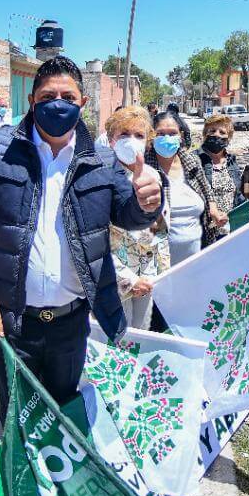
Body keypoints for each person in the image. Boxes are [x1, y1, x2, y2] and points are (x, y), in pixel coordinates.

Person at [0, 56, 163, 417]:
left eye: (68, 96)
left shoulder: (101, 159)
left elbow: (128, 214)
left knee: (63, 414)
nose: (58, 103)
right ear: (32, 101)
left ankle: (56, 475)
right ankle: (17, 473)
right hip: (12, 321)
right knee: (17, 417)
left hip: (71, 322)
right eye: (48, 95)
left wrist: (148, 203)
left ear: (83, 103)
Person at [104, 107, 168, 330]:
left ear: (147, 142)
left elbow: (161, 232)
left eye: (139, 135)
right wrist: (129, 280)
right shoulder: (102, 178)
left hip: (149, 279)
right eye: (123, 134)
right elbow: (95, 240)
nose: (131, 140)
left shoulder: (156, 177)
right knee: (115, 342)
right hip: (115, 280)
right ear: (111, 140)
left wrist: (162, 274)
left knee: (140, 338)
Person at [148, 111, 223, 265]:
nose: (167, 138)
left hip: (197, 255)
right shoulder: (144, 169)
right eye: (160, 133)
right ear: (152, 136)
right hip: (158, 262)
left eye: (172, 133)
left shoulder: (192, 162)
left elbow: (207, 191)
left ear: (181, 135)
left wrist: (214, 211)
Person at [198, 113, 243, 240]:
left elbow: (237, 194)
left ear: (228, 139)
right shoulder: (194, 160)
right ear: (205, 134)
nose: (217, 134)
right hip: (204, 232)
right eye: (212, 131)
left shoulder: (231, 161)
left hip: (230, 230)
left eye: (222, 132)